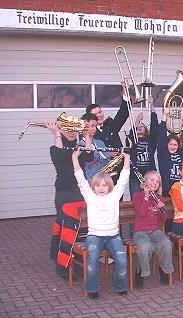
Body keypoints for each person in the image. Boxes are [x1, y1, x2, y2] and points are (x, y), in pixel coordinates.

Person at [72, 147, 130, 299]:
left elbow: (124, 178)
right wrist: (74, 159)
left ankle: (120, 285)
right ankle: (92, 289)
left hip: (113, 236)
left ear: (109, 185)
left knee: (122, 260)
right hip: (94, 237)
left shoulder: (115, 195)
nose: (101, 188)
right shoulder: (90, 196)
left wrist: (126, 158)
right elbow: (80, 178)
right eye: (98, 185)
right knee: (92, 260)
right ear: (93, 186)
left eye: (104, 185)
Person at [46, 121, 93, 279]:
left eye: (73, 129)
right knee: (64, 230)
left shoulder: (78, 147)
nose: (72, 132)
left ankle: (78, 262)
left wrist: (87, 136)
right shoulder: (56, 149)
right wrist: (57, 133)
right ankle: (62, 266)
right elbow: (59, 156)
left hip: (79, 193)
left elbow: (89, 155)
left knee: (80, 230)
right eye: (68, 129)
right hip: (64, 194)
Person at [132, 171, 174, 289]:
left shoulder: (159, 198)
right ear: (145, 182)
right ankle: (140, 273)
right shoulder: (137, 196)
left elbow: (163, 219)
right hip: (140, 231)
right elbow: (141, 214)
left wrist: (161, 209)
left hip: (154, 230)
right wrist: (146, 196)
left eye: (157, 181)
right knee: (146, 246)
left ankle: (164, 270)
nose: (154, 183)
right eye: (152, 180)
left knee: (166, 243)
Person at [157, 106, 183, 196]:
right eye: (170, 144)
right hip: (168, 192)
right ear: (167, 145)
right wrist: (164, 116)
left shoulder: (182, 155)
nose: (172, 147)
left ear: (178, 146)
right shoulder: (163, 154)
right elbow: (161, 136)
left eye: (175, 145)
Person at [127, 95, 158, 196]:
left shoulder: (150, 141)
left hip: (150, 176)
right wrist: (136, 121)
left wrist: (152, 106)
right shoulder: (133, 140)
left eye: (142, 126)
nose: (139, 126)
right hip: (135, 176)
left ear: (146, 130)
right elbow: (130, 138)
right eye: (138, 126)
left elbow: (155, 127)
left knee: (152, 199)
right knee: (136, 200)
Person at [78, 112, 112, 182]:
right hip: (87, 183)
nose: (95, 129)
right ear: (84, 127)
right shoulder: (79, 145)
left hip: (103, 181)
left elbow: (108, 161)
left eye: (95, 126)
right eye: (92, 126)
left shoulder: (100, 142)